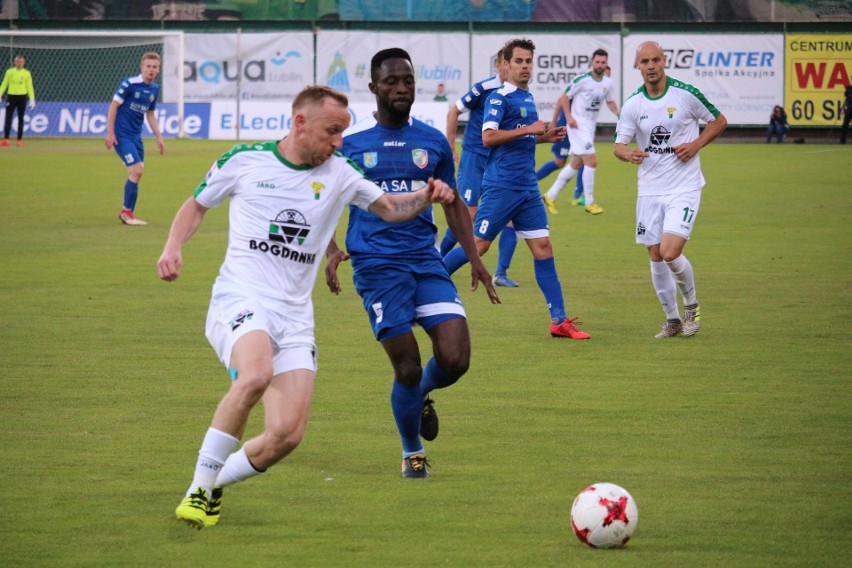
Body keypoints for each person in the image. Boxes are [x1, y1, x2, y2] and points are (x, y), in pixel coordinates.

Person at [158, 86, 460, 529]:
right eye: (332, 132)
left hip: (295, 316)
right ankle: (198, 490)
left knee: (286, 435)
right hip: (241, 296)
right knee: (255, 375)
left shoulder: (341, 172)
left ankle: (215, 482)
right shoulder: (244, 160)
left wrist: (426, 197)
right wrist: (172, 246)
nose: (339, 142)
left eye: (343, 132)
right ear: (300, 123)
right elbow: (197, 204)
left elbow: (391, 208)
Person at [324, 48, 499, 479]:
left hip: (425, 260)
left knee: (456, 359)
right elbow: (320, 198)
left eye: (408, 81)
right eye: (391, 82)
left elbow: (453, 202)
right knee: (406, 364)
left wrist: (473, 258)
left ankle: (420, 394)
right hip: (377, 266)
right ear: (374, 89)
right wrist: (330, 251)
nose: (401, 89)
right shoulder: (352, 143)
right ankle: (412, 451)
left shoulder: (433, 141)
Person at [442, 38, 591, 340]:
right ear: (506, 64)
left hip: (527, 188)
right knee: (479, 246)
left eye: (528, 61)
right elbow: (488, 137)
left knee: (543, 248)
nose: (525, 67)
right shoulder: (499, 97)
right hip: (502, 185)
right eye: (519, 61)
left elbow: (522, 138)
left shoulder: (526, 96)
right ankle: (422, 290)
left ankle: (559, 320)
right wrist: (528, 129)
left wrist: (545, 138)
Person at [613, 41, 727, 339]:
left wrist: (696, 144)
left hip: (684, 187)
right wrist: (629, 154)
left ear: (664, 61)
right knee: (654, 255)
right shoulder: (633, 104)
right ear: (637, 66)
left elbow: (719, 120)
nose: (650, 66)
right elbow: (618, 146)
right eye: (644, 62)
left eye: (655, 60)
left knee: (670, 251)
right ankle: (672, 319)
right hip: (649, 190)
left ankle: (691, 306)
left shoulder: (685, 93)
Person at [441, 49, 521, 287]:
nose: (512, 68)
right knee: (467, 217)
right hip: (475, 160)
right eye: (508, 63)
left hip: (499, 163)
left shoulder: (518, 94)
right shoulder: (483, 89)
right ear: (499, 65)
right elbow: (454, 110)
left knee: (509, 216)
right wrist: (450, 147)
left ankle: (501, 273)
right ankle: (437, 260)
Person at [543, 49, 619, 215]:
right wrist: (569, 117)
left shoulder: (608, 83)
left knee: (576, 163)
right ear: (592, 62)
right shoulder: (582, 80)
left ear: (606, 63)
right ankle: (589, 202)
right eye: (597, 62)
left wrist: (619, 114)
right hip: (578, 125)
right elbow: (564, 97)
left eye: (603, 62)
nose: (600, 65)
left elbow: (611, 101)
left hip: (589, 127)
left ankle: (550, 195)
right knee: (591, 161)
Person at [104, 52, 165, 226]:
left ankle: (128, 212)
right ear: (142, 68)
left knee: (136, 173)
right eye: (148, 66)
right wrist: (110, 133)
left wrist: (159, 137)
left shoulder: (154, 89)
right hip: (122, 135)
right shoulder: (130, 84)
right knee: (137, 170)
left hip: (136, 136)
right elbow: (114, 106)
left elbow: (150, 114)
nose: (151, 70)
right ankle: (126, 212)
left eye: (154, 67)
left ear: (158, 69)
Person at [0, 55, 36, 147]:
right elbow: (4, 84)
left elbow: (29, 86)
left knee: (21, 118)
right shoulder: (9, 72)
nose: (19, 63)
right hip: (11, 96)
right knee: (8, 118)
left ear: (23, 63)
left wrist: (32, 98)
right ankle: (6, 139)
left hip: (22, 97)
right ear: (15, 62)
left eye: (21, 62)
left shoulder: (27, 73)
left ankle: (19, 140)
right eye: (17, 62)